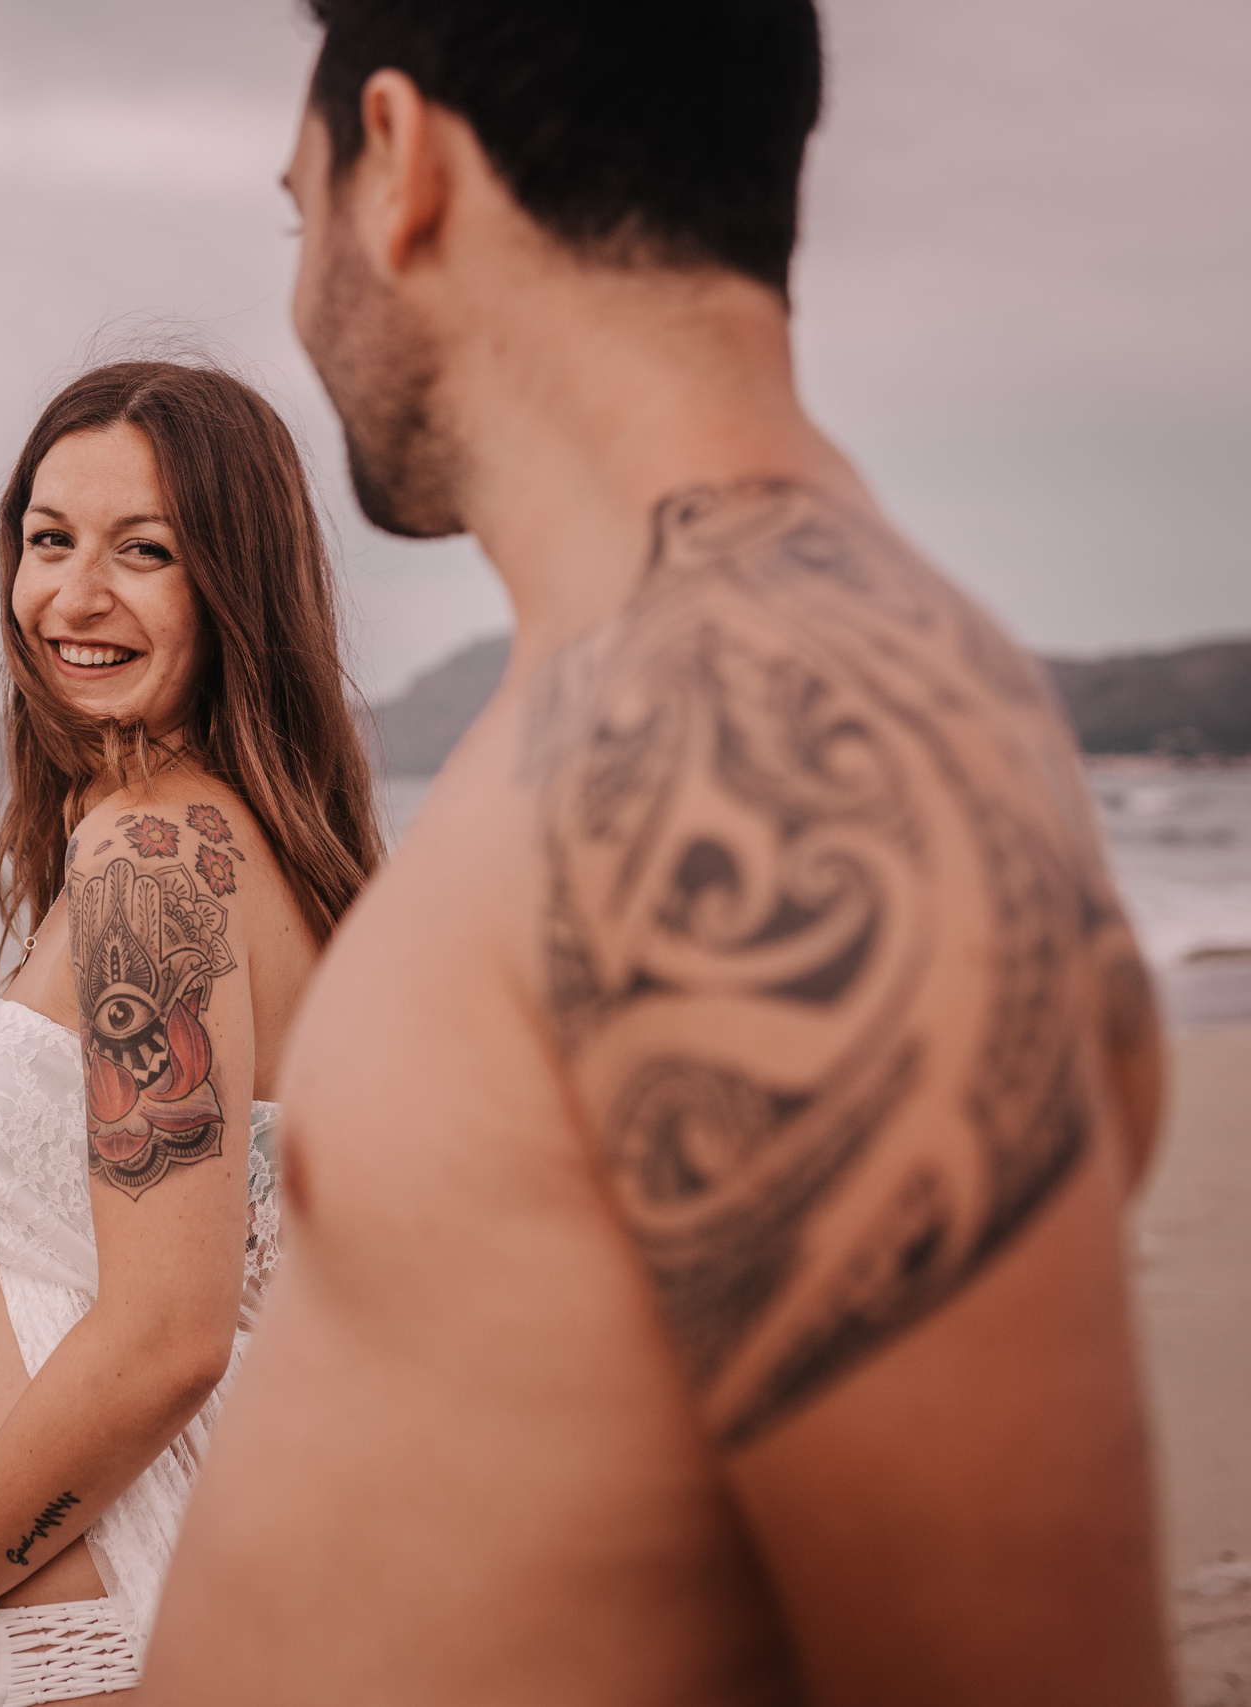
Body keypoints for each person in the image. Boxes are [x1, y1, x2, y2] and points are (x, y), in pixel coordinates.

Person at [143, 4, 1172, 1704]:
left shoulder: (759, 744)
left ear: (397, 162)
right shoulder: (644, 691)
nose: (302, 285)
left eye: (295, 209)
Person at [0, 360, 385, 1702]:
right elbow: (245, 1213)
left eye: (146, 552)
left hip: (117, 1595)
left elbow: (171, 1334)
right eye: (49, 540)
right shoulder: (215, 838)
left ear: (236, 585)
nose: (73, 597)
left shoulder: (155, 866)